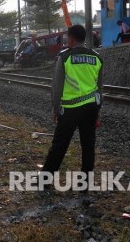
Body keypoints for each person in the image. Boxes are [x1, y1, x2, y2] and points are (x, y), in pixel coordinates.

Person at [40, 24, 103, 193]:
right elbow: (99, 88)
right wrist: (97, 111)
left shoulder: (65, 57)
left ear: (72, 38)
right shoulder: (96, 58)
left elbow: (57, 87)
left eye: (68, 38)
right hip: (91, 108)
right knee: (88, 146)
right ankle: (85, 184)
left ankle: (44, 181)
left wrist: (55, 109)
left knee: (59, 145)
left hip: (70, 109)